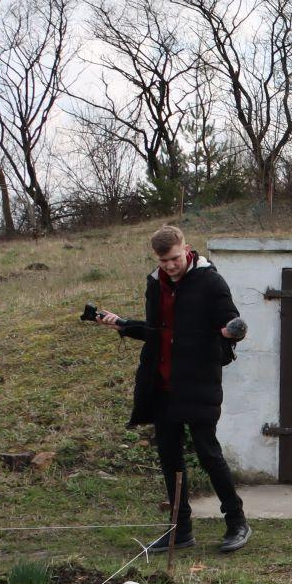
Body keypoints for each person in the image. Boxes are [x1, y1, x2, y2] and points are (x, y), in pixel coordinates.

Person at [97, 225, 251, 555]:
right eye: (163, 260)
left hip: (198, 383)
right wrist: (122, 324)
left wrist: (231, 331)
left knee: (209, 454)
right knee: (170, 459)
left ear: (186, 249)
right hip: (162, 384)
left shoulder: (211, 281)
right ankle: (180, 530)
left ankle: (237, 523)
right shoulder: (156, 284)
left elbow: (231, 321)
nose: (170, 265)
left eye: (174, 258)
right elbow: (158, 332)